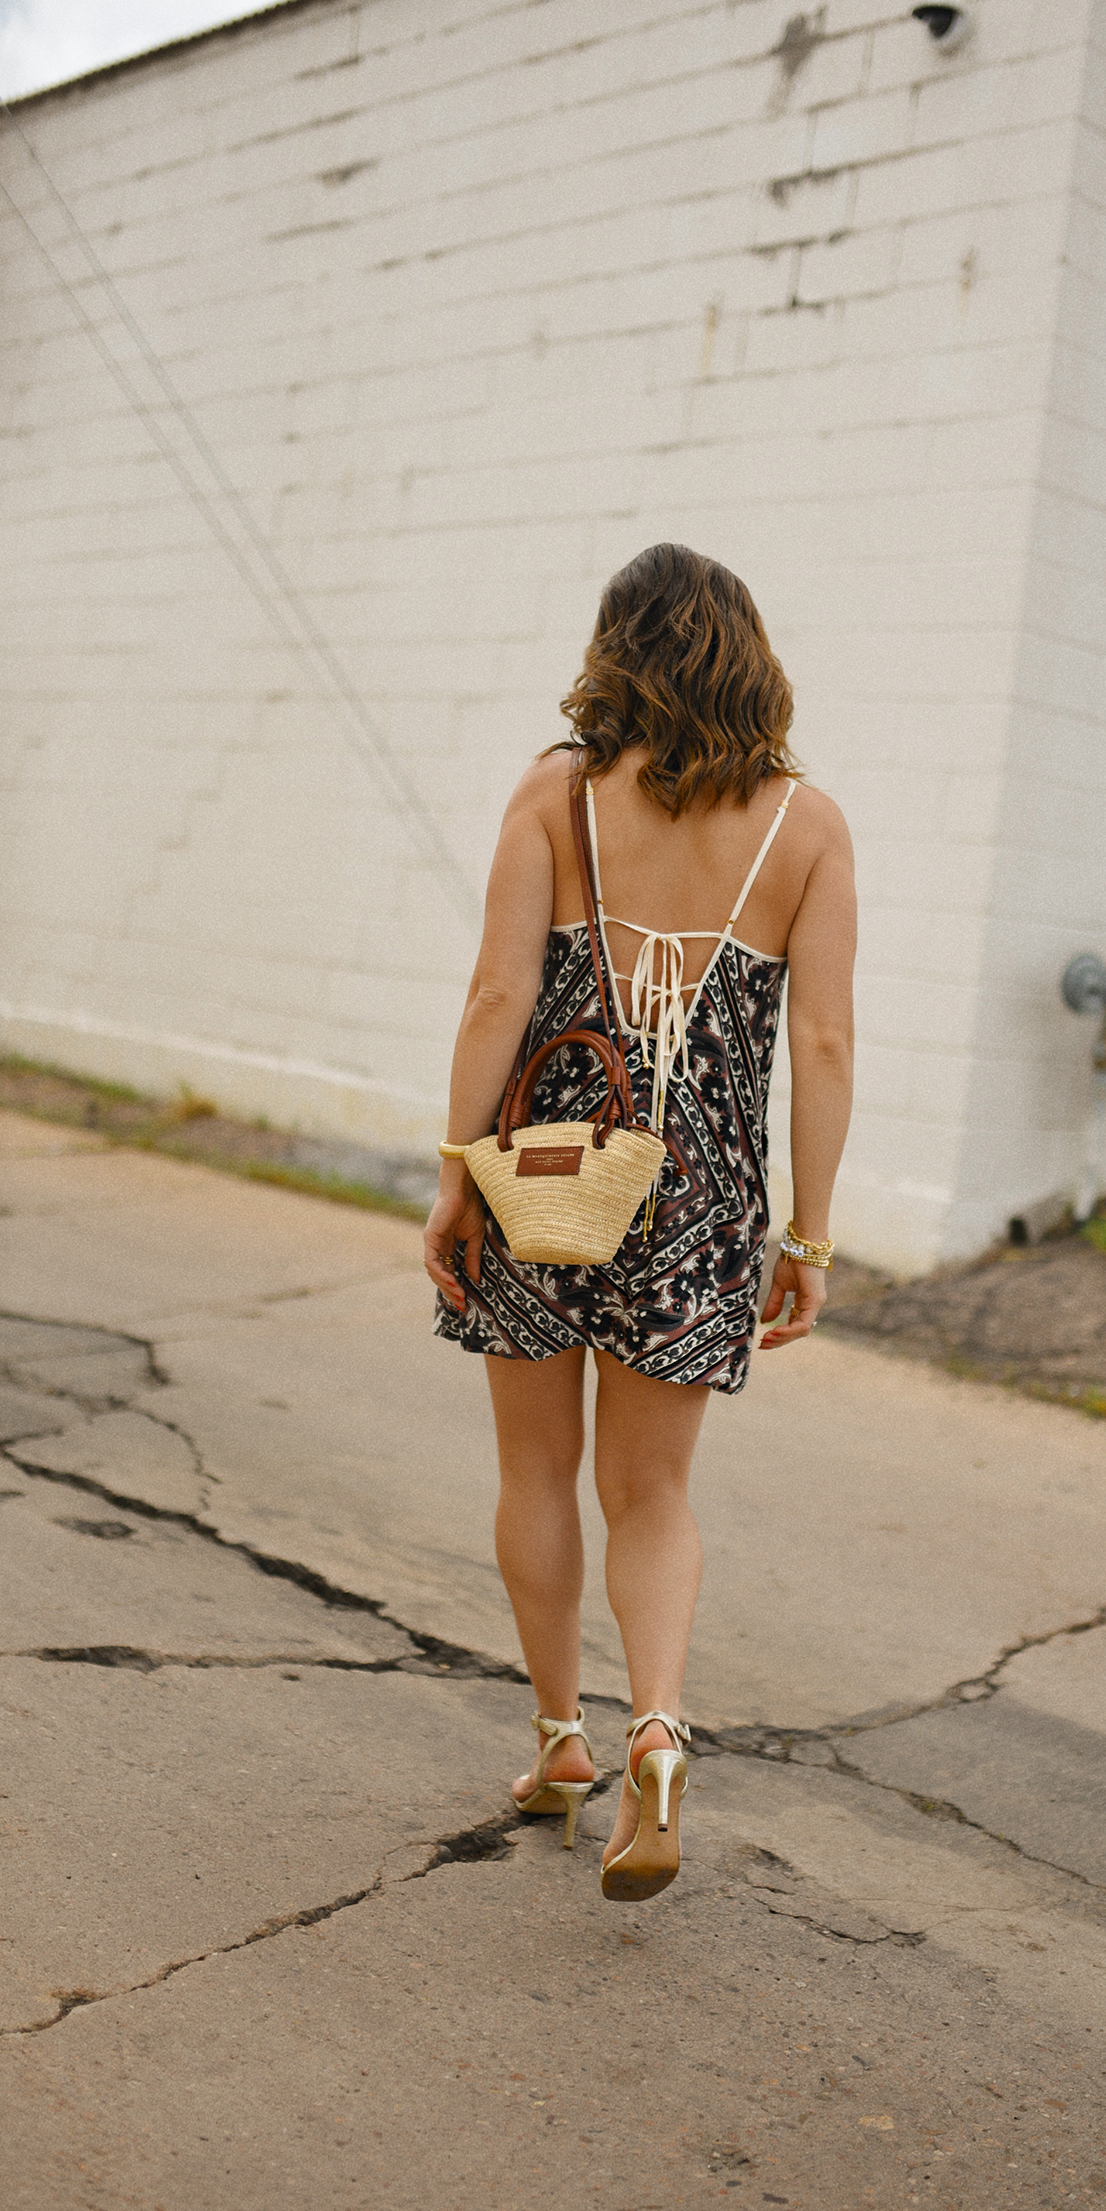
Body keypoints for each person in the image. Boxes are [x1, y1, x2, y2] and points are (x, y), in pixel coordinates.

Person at [423, 543, 856, 1902]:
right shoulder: (810, 827)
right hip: (709, 1192)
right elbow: (828, 1045)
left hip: (547, 1167)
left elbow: (499, 995)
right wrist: (809, 1237)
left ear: (618, 651)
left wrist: (453, 1175)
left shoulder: (557, 789)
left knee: (535, 1470)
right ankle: (655, 1729)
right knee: (653, 1493)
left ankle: (562, 1740)